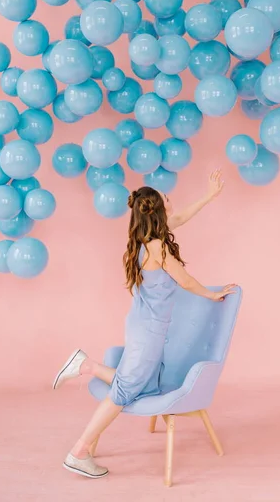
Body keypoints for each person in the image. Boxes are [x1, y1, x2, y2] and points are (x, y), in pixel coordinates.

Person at [53, 170, 237, 479]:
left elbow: (183, 218)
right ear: (158, 209)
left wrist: (210, 195)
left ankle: (87, 366)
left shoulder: (147, 239)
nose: (171, 200)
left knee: (141, 385)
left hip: (142, 327)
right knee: (125, 392)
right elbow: (186, 280)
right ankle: (78, 453)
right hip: (149, 332)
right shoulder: (157, 248)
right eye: (167, 198)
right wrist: (213, 294)